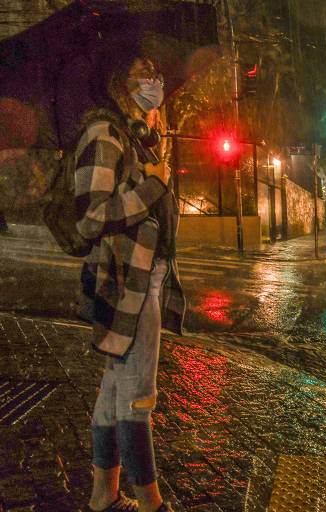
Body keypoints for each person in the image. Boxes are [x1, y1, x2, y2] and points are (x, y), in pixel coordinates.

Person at [74, 42, 185, 512]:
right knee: (138, 395)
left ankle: (104, 497)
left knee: (115, 389)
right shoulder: (103, 135)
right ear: (122, 83)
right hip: (129, 285)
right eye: (143, 72)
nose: (154, 82)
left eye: (155, 73)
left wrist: (154, 154)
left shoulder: (133, 136)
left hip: (142, 279)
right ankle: (151, 501)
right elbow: (90, 217)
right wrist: (154, 184)